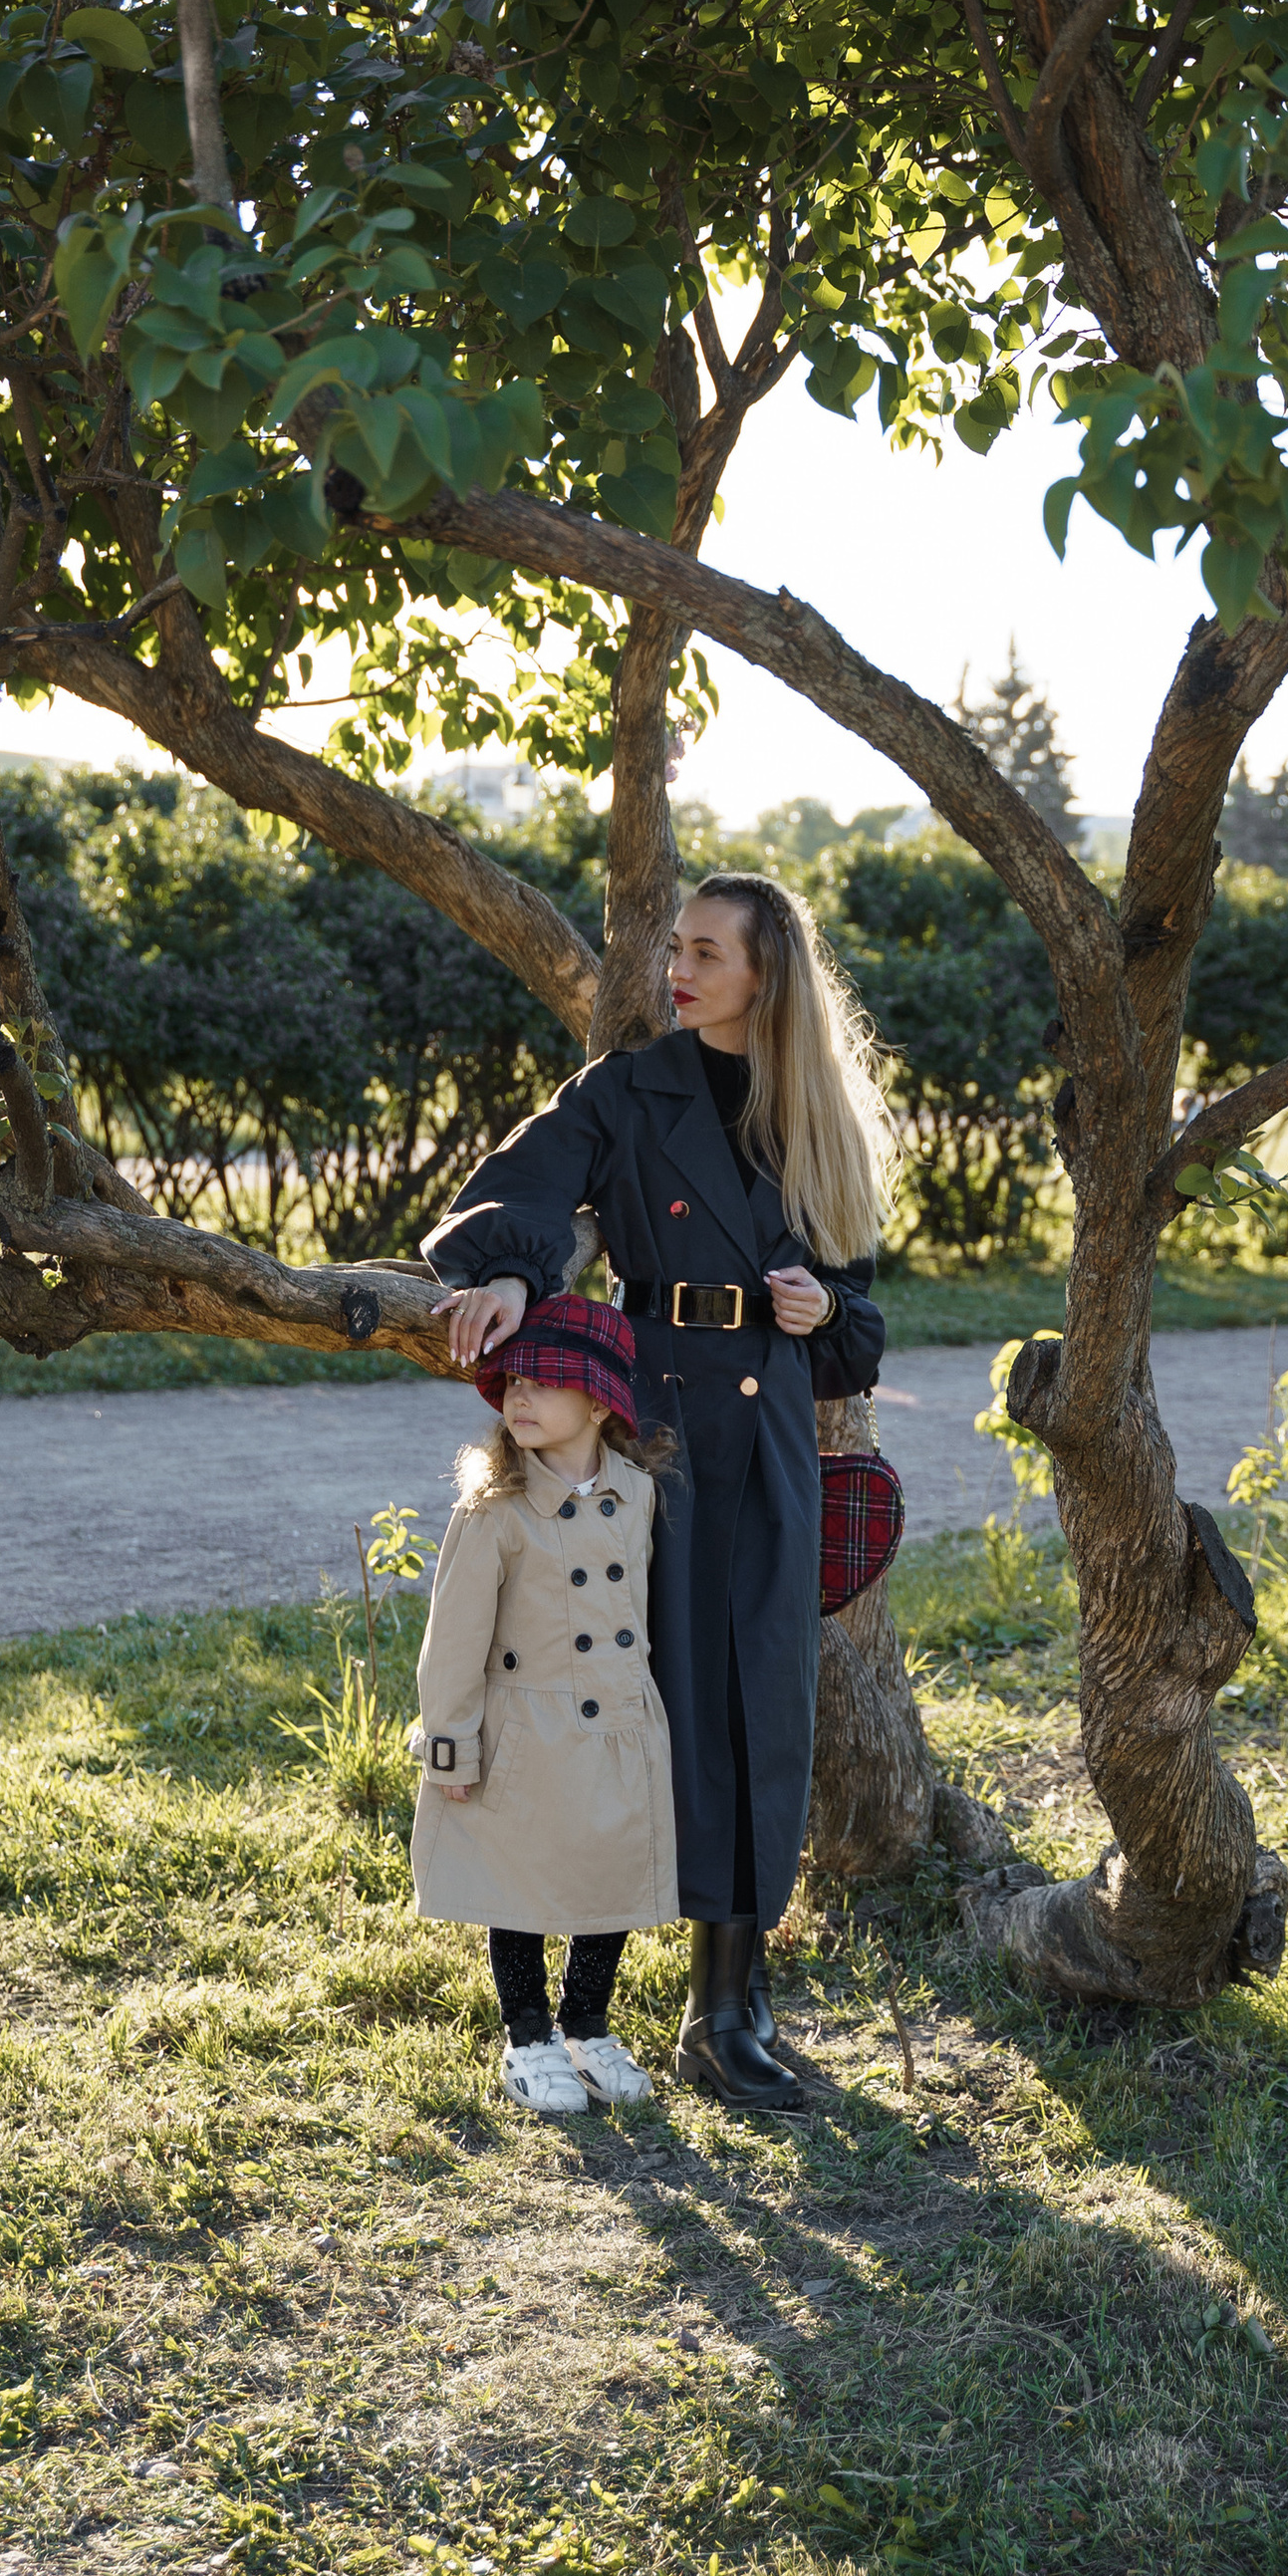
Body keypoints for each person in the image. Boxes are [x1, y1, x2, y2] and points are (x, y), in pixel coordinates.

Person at [426, 871, 892, 2112]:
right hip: (665, 1433)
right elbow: (524, 1183)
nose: (675, 969)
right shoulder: (628, 1090)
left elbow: (861, 1327)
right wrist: (521, 1278)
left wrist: (821, 1309)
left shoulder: (816, 1118)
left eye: (705, 953)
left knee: (762, 1708)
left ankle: (726, 2004)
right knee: (665, 1699)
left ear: (764, 976)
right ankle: (605, 2006)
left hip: (775, 1432)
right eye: (675, 947)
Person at [409, 1291, 681, 2116]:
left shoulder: (637, 1495)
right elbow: (453, 1638)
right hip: (525, 1730)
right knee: (518, 1883)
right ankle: (528, 2038)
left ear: (599, 1402)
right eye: (512, 1382)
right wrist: (451, 1744)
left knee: (610, 1872)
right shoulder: (494, 1510)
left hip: (615, 1721)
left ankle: (587, 2026)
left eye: (544, 1382)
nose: (520, 1396)